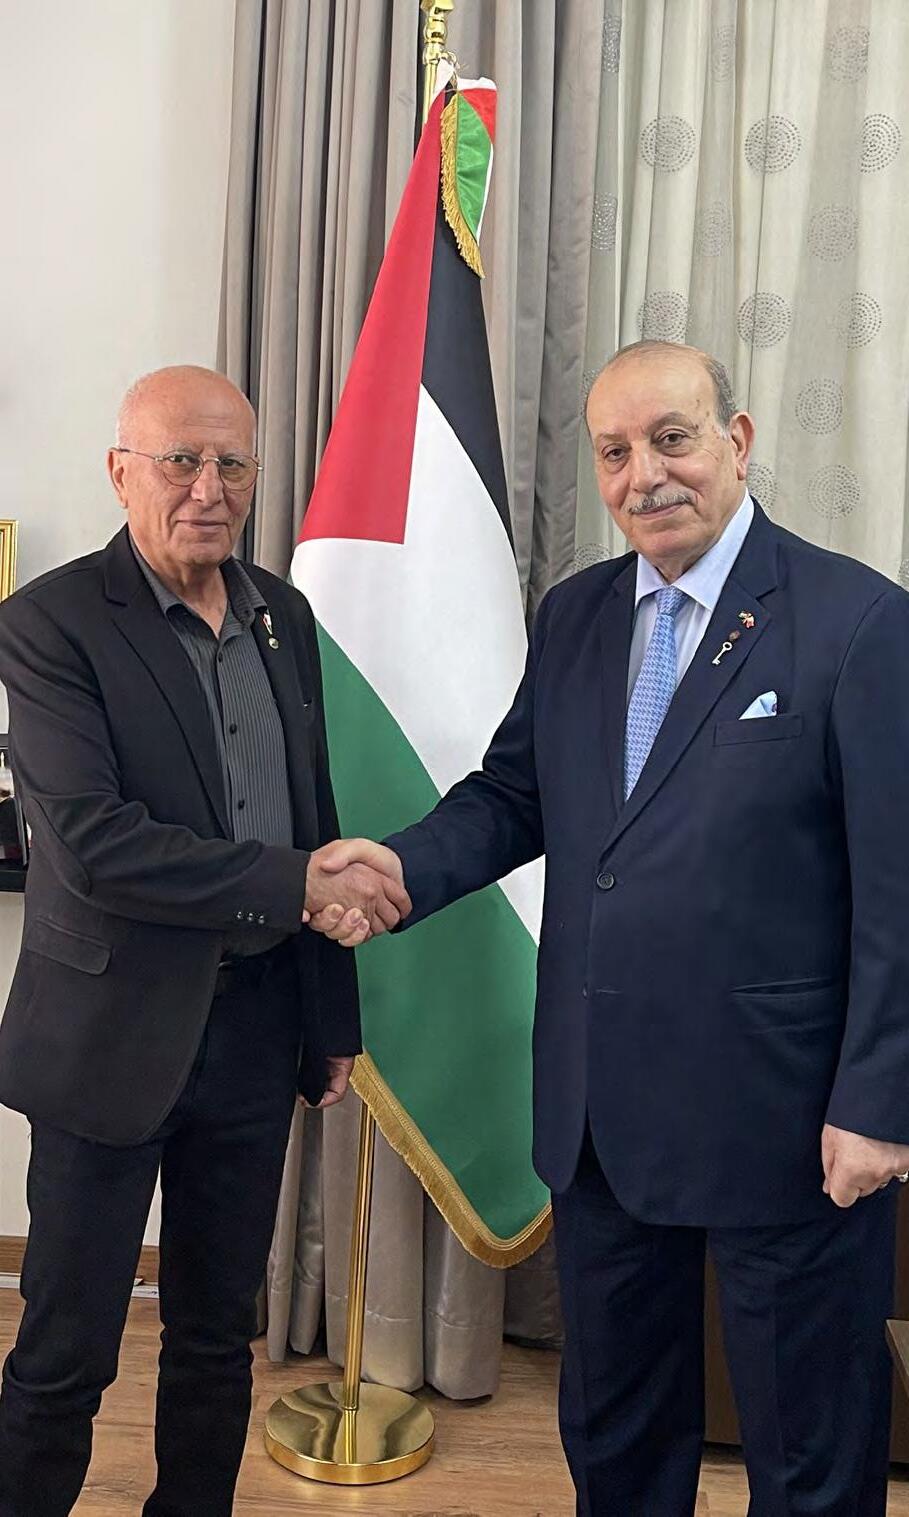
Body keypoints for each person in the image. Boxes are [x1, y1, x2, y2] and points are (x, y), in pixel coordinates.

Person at [309, 340, 909, 1515]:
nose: (645, 474)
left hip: (788, 1123)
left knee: (810, 1453)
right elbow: (515, 796)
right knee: (616, 1439)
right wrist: (401, 866)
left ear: (737, 441)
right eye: (616, 451)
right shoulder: (578, 614)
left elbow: (898, 884)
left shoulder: (859, 620)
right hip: (602, 1118)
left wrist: (880, 1101)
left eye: (672, 439)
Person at [0, 365, 409, 1517]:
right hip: (107, 1037)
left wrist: (330, 1018)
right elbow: (96, 846)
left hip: (257, 1030)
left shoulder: (283, 613)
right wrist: (296, 881)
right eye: (180, 460)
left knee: (219, 1335)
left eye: (232, 462)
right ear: (121, 470)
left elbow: (311, 810)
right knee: (66, 1349)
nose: (208, 488)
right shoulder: (48, 622)